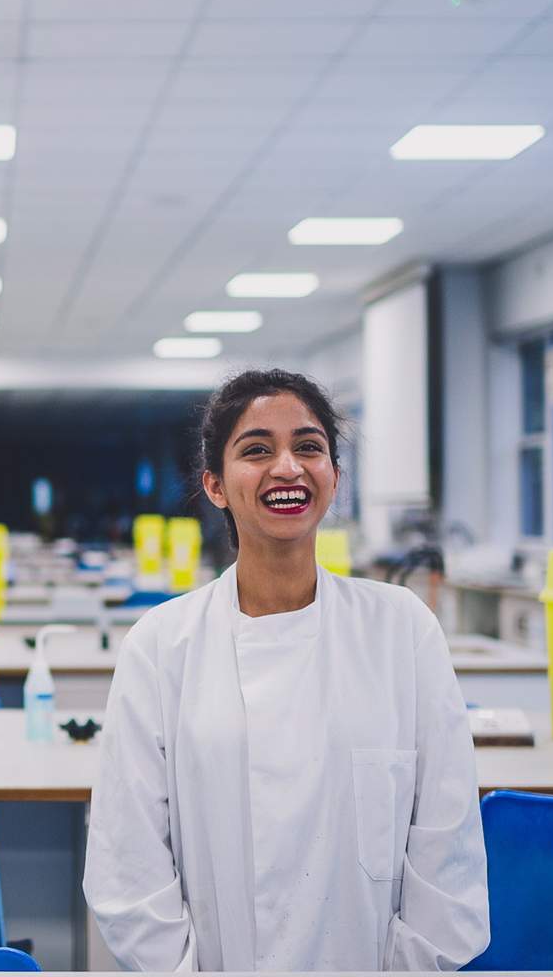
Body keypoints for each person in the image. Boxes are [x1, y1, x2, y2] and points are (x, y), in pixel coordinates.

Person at [84, 369, 488, 972]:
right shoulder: (162, 645)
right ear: (215, 486)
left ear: (334, 477)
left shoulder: (401, 629)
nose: (288, 467)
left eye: (309, 447)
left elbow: (446, 845)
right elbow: (128, 863)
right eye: (256, 450)